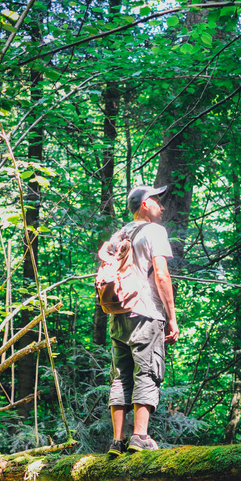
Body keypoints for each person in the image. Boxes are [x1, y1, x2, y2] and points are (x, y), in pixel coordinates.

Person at [107, 184, 180, 454]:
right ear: (145, 204)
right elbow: (161, 275)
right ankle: (139, 436)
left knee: (121, 375)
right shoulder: (154, 231)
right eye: (157, 201)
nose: (161, 206)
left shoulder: (119, 234)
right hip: (146, 312)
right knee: (147, 371)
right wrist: (172, 318)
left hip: (118, 314)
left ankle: (117, 440)